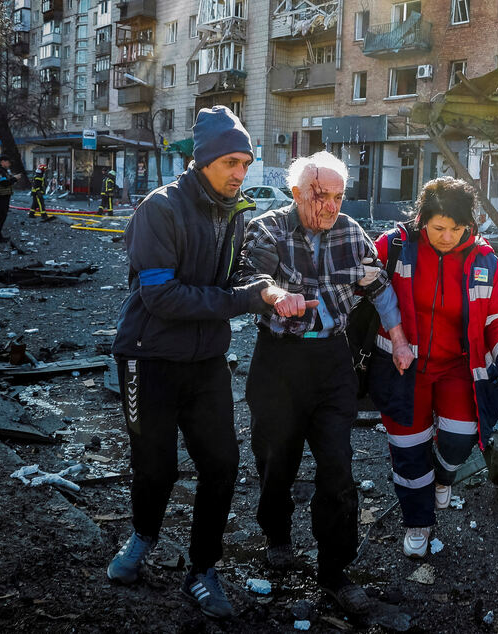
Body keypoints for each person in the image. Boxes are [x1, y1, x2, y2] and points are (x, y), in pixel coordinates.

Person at [107, 106, 285, 620]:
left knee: (222, 465)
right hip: (148, 358)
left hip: (206, 361)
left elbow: (231, 283)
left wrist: (267, 291)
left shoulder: (235, 213)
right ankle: (142, 538)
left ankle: (202, 570)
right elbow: (162, 298)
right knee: (155, 466)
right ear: (204, 160)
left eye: (245, 163)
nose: (239, 173)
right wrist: (245, 300)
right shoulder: (160, 208)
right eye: (231, 161)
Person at [234, 151, 414, 616]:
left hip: (332, 363)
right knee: (277, 462)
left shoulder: (352, 233)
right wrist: (277, 296)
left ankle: (335, 572)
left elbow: (380, 288)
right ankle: (276, 533)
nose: (330, 206)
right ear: (297, 193)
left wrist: (397, 340)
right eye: (320, 195)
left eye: (338, 196)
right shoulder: (268, 227)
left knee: (338, 470)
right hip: (278, 363)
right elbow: (251, 277)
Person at [369, 177, 498, 559]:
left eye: (456, 229)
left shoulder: (484, 259)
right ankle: (418, 523)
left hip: (459, 368)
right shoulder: (394, 247)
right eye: (439, 228)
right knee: (408, 448)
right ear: (422, 219)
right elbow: (365, 291)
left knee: (460, 437)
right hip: (404, 367)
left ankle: (443, 476)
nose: (447, 236)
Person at [0, 154, 21, 242]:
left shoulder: (2, 170)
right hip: (1, 196)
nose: (9, 164)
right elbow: (4, 183)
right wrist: (14, 178)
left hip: (4, 196)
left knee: (2, 216)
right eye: (8, 162)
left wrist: (13, 178)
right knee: (1, 217)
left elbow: (5, 181)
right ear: (2, 162)